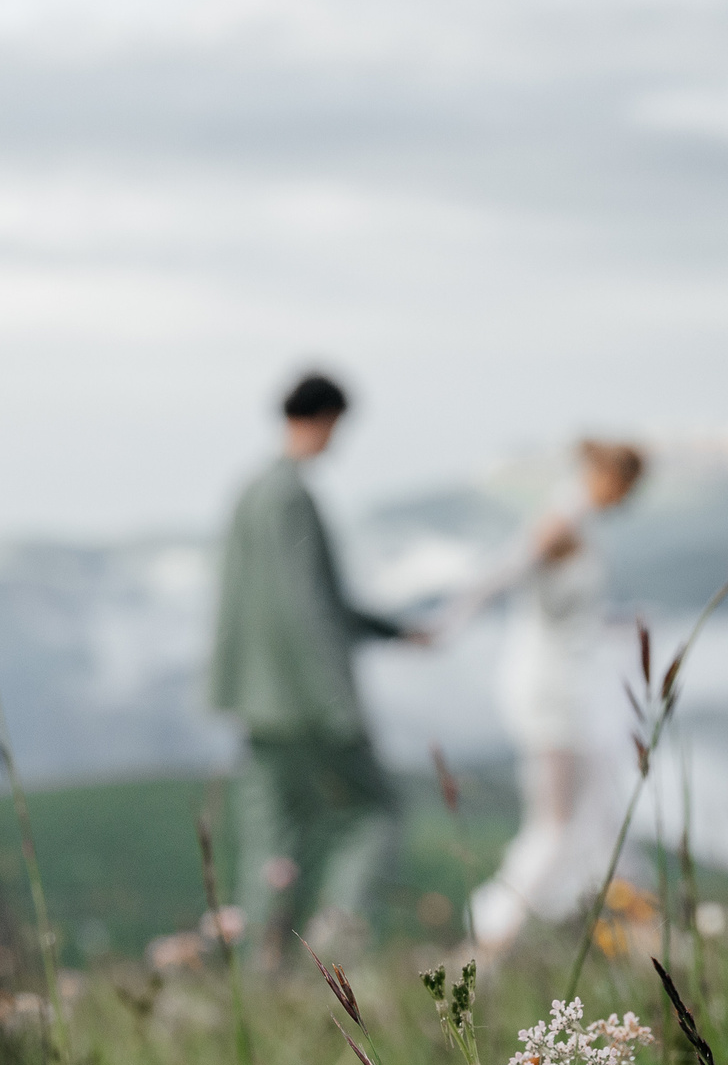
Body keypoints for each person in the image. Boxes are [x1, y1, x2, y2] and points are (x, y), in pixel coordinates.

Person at [209, 372, 421, 967]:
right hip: (306, 702)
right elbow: (305, 606)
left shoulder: (251, 490)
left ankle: (263, 971)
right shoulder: (291, 497)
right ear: (325, 418)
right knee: (375, 812)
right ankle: (337, 948)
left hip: (255, 701)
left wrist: (394, 631)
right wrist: (339, 703)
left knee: (274, 839)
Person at [441, 439, 648, 952]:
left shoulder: (575, 520)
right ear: (612, 480)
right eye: (628, 489)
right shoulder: (563, 521)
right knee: (556, 825)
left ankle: (631, 931)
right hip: (549, 690)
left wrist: (619, 627)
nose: (628, 502)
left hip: (568, 686)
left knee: (593, 814)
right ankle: (490, 936)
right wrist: (447, 623)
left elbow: (567, 612)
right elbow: (503, 572)